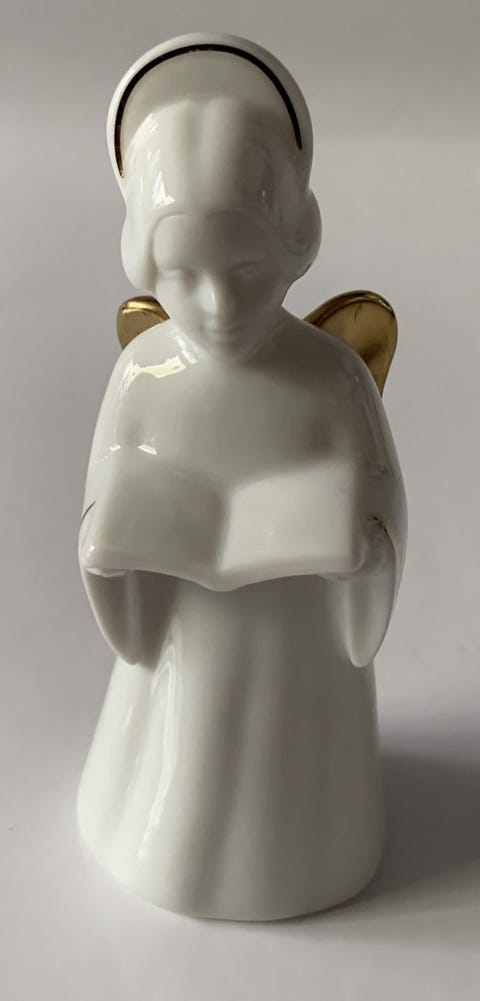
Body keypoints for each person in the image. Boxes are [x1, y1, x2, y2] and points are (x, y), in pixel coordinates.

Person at [77, 33, 407, 920]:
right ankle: (152, 828)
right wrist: (108, 546)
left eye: (247, 269)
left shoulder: (331, 377)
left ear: (296, 243)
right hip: (184, 642)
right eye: (184, 277)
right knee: (172, 780)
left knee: (292, 787)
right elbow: (104, 493)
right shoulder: (144, 373)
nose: (218, 305)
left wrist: (363, 547)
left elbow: (384, 503)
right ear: (147, 267)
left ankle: (309, 848)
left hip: (299, 654)